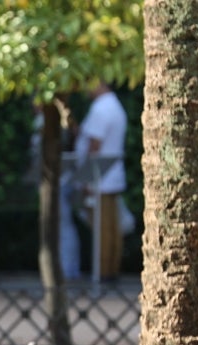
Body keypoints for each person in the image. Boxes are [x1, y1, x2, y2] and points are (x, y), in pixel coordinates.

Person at [72, 82, 128, 282]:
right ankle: (110, 270)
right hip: (112, 175)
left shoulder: (101, 107)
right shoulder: (114, 105)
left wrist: (86, 180)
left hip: (100, 177)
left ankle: (103, 272)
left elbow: (94, 145)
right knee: (112, 226)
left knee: (102, 228)